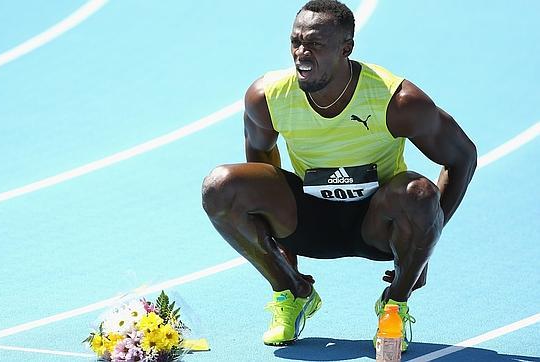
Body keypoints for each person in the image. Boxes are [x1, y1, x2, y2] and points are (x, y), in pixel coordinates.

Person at [200, 0, 477, 351]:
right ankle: (292, 292)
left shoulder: (397, 101)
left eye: (315, 44)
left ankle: (394, 305)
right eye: (296, 41)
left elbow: (462, 158)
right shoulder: (267, 97)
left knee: (419, 194)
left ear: (346, 48)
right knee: (222, 187)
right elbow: (263, 167)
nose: (301, 53)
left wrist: (423, 248)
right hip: (308, 218)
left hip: (378, 224)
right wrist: (285, 256)